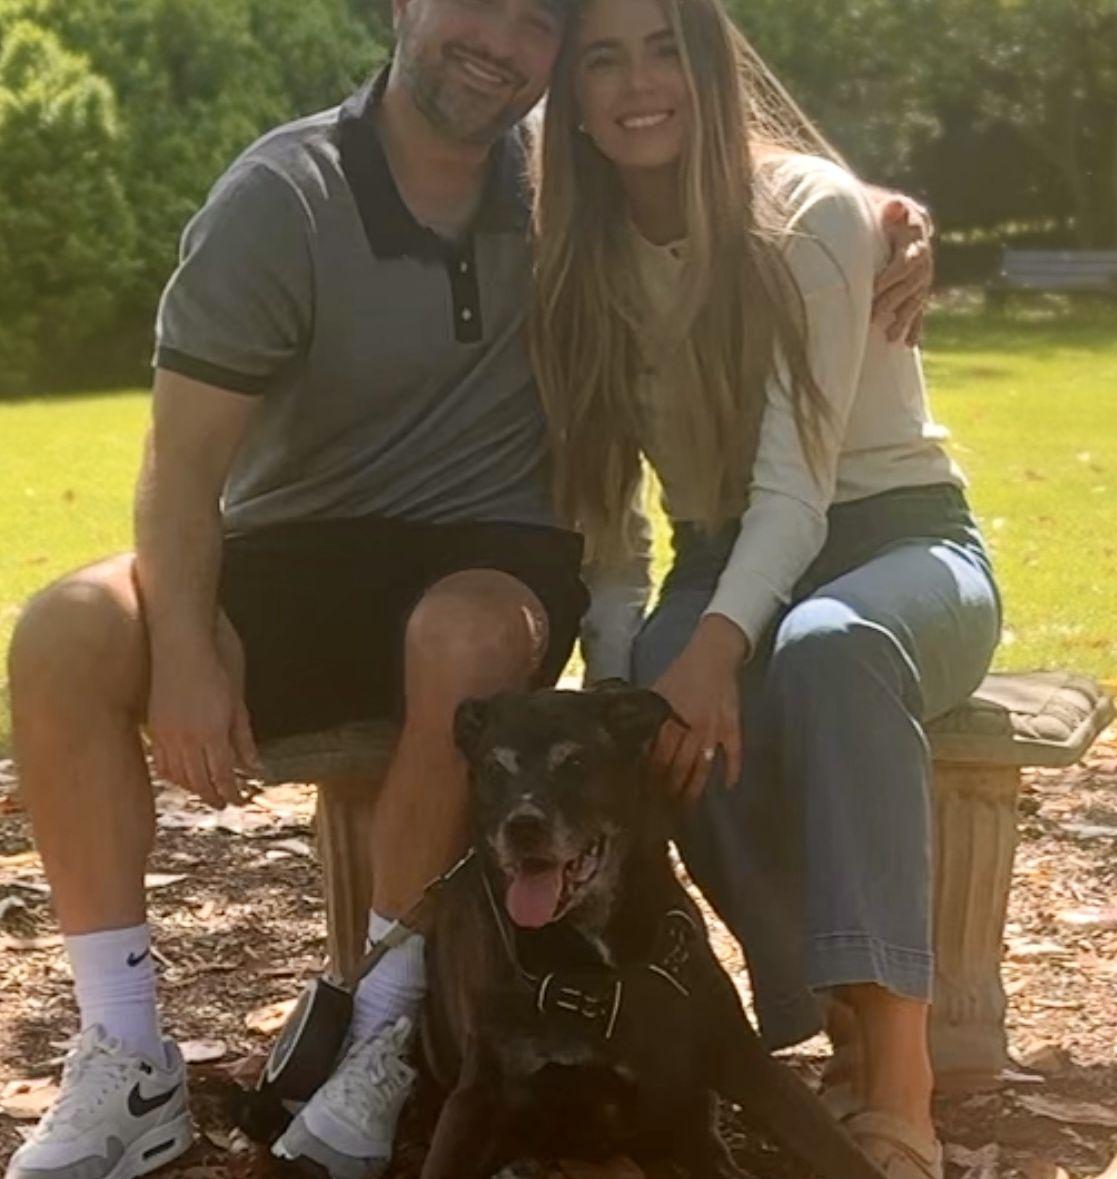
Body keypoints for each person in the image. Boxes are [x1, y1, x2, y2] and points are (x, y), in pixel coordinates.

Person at [3, 3, 932, 1179]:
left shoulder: (563, 192)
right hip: (291, 555)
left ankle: (387, 1030)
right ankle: (124, 1053)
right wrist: (184, 647)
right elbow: (179, 469)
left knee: (466, 633)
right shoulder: (282, 196)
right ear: (404, 7)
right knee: (66, 631)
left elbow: (734, 180)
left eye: (535, 20)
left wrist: (886, 214)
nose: (497, 39)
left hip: (490, 555)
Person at [530, 1, 1003, 1177]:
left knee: (830, 648)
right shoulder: (574, 255)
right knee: (655, 702)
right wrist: (623, 671)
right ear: (571, 99)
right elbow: (606, 517)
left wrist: (717, 647)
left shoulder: (811, 216)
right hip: (720, 552)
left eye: (665, 49)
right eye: (604, 59)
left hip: (899, 538)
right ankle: (834, 1008)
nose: (639, 83)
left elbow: (798, 490)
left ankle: (899, 1077)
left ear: (710, 67)